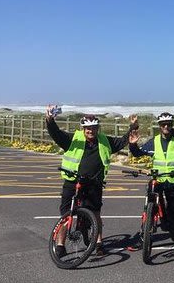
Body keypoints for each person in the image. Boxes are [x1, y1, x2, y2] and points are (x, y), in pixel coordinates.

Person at [45, 105, 135, 257]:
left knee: (95, 214)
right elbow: (55, 133)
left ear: (97, 128)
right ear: (82, 128)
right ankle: (60, 245)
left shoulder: (104, 141)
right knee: (66, 215)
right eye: (87, 128)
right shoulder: (73, 139)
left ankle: (98, 243)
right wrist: (49, 119)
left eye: (93, 128)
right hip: (72, 182)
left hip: (93, 183)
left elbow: (121, 142)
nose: (90, 131)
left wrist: (133, 127)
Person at [128, 112, 174, 254]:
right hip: (158, 179)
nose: (166, 126)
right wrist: (133, 145)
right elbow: (138, 153)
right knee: (148, 206)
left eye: (168, 124)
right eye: (163, 124)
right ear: (159, 126)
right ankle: (145, 236)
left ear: (172, 125)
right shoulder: (154, 141)